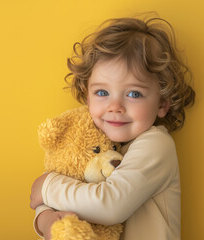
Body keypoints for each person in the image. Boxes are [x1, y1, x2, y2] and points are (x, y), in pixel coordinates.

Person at [30, 15, 195, 240]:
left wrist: (48, 186)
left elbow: (110, 205)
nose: (115, 107)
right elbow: (57, 195)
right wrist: (45, 219)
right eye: (102, 92)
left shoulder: (155, 145)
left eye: (134, 94)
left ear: (162, 104)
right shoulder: (89, 144)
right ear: (87, 98)